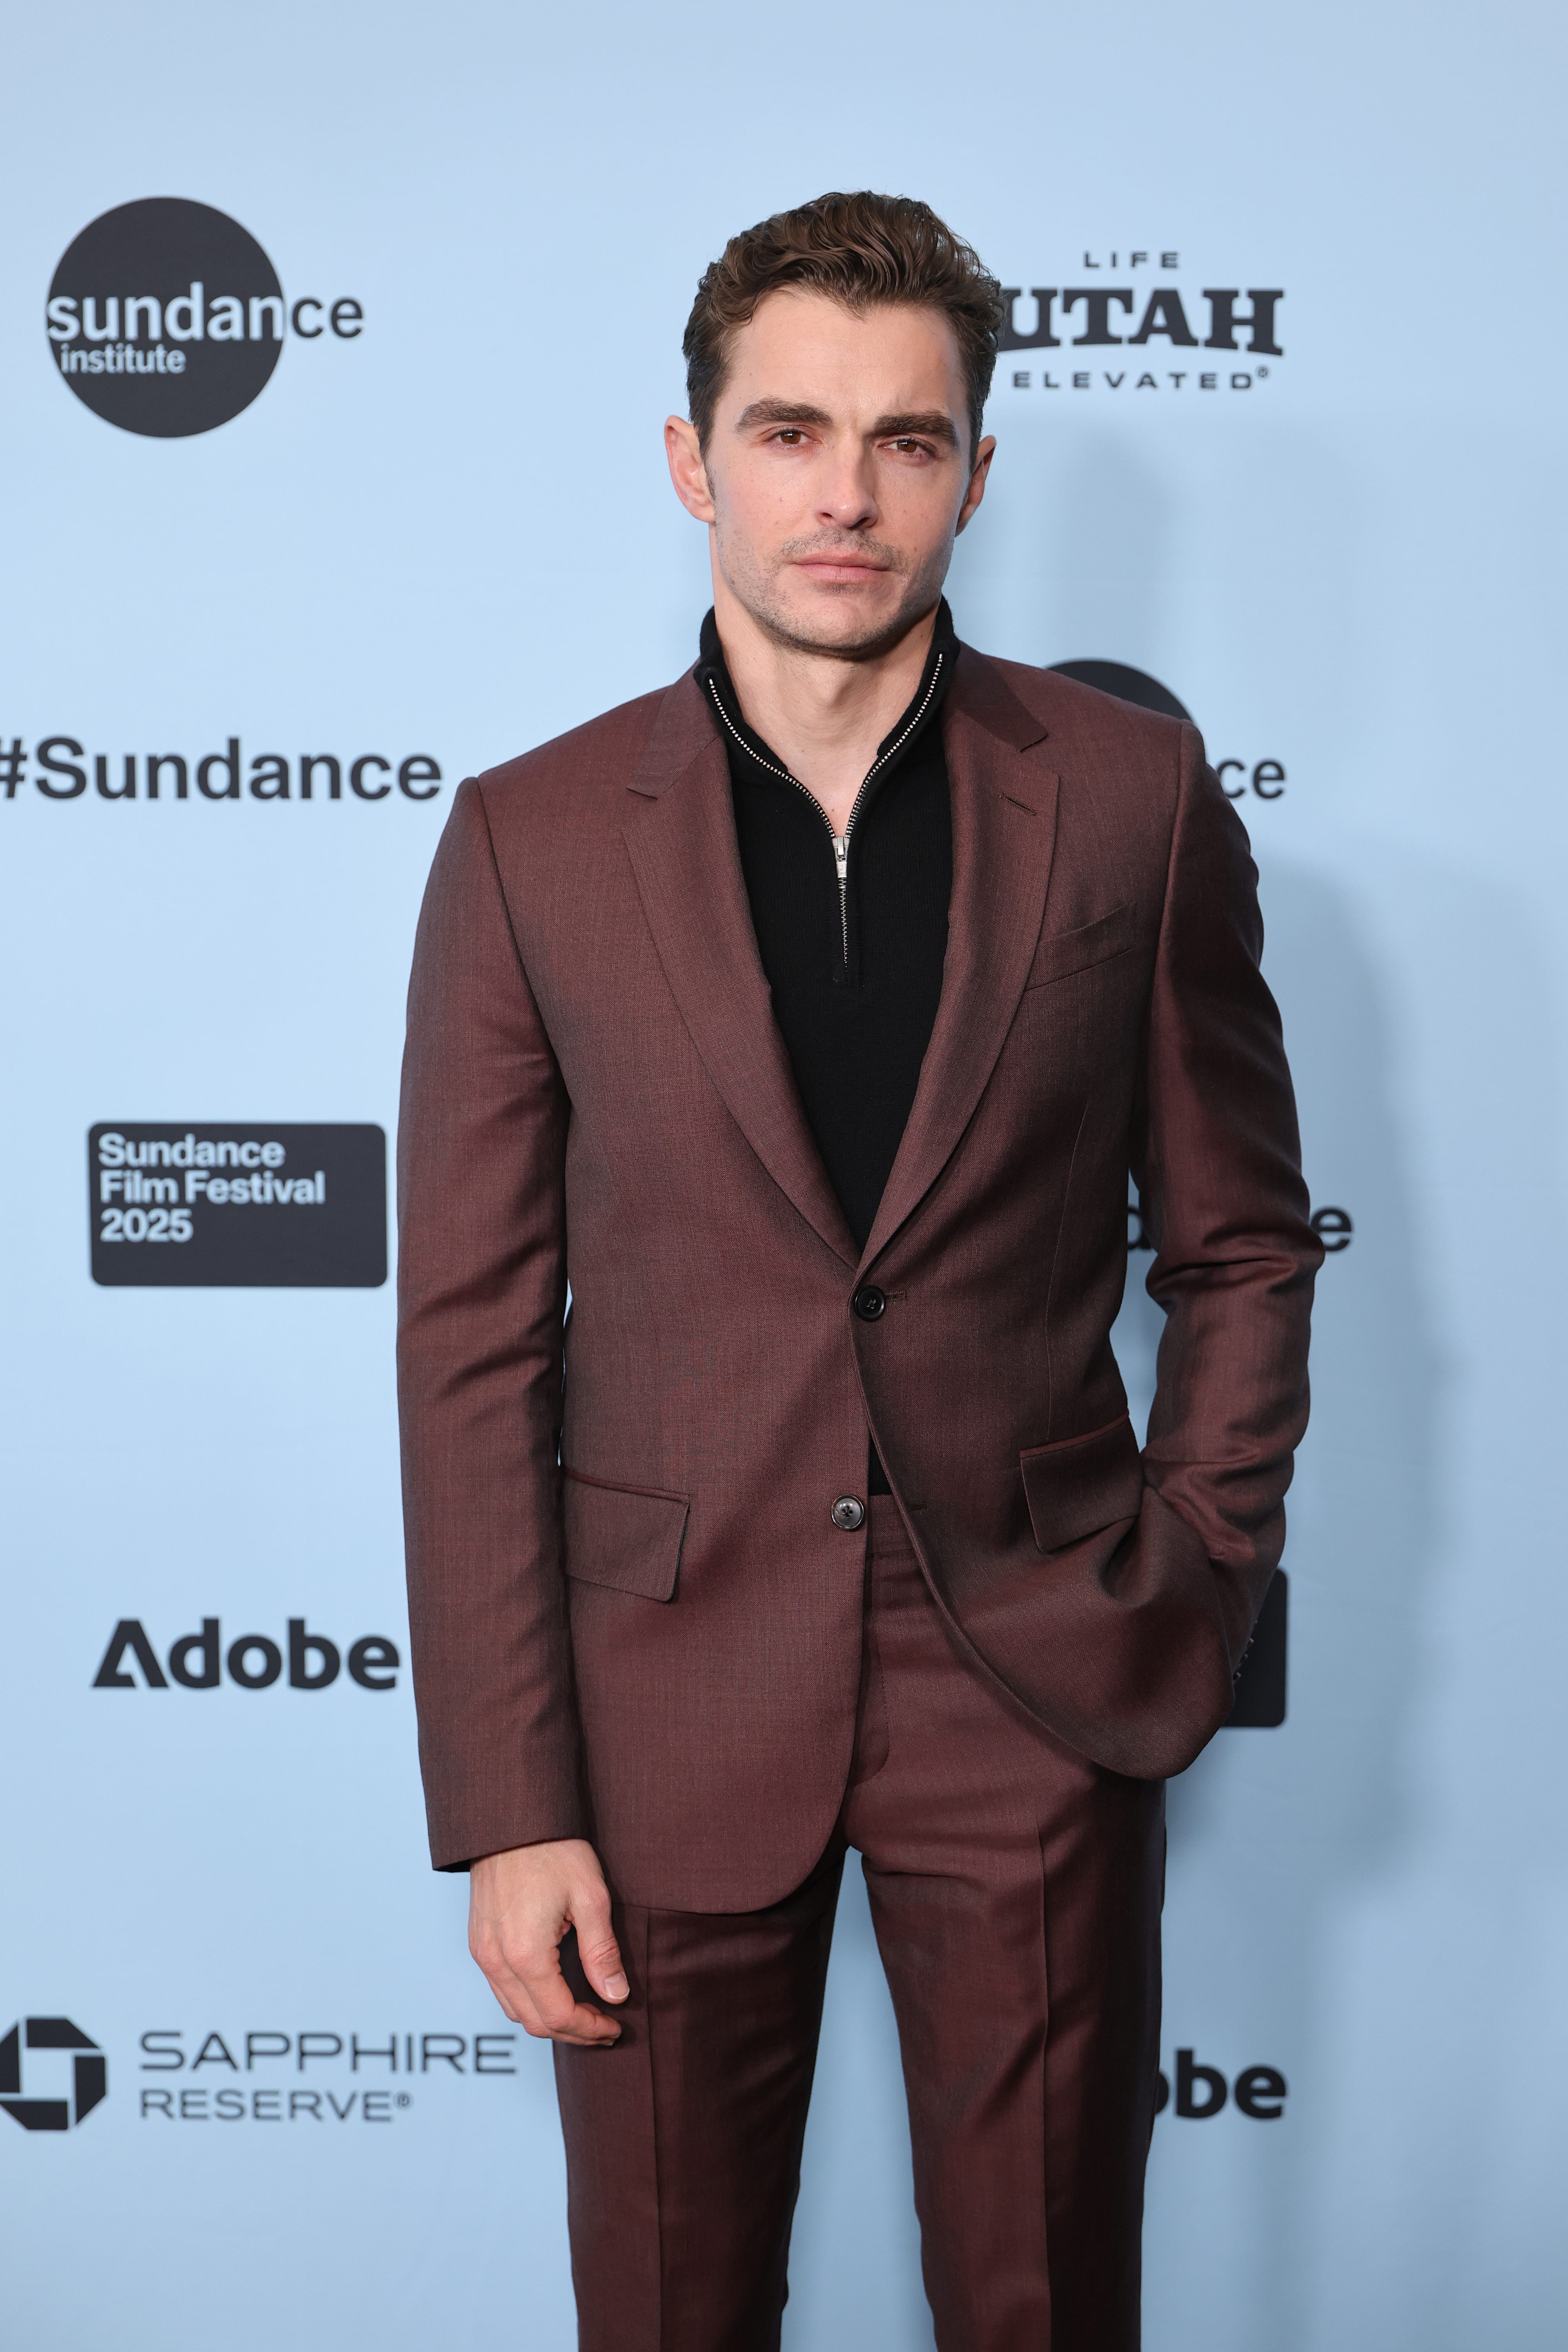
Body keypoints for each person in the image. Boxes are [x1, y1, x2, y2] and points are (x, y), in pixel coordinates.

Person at [397, 189, 1319, 2352]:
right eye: (794, 430)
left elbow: (1249, 1243)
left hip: (1031, 1669)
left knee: (1040, 2302)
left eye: (907, 442)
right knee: (669, 2311)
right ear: (692, 457)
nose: (847, 493)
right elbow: (464, 1349)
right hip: (653, 1704)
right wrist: (511, 1804)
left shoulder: (1131, 800)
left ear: (979, 475)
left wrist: (1185, 1572)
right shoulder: (529, 840)